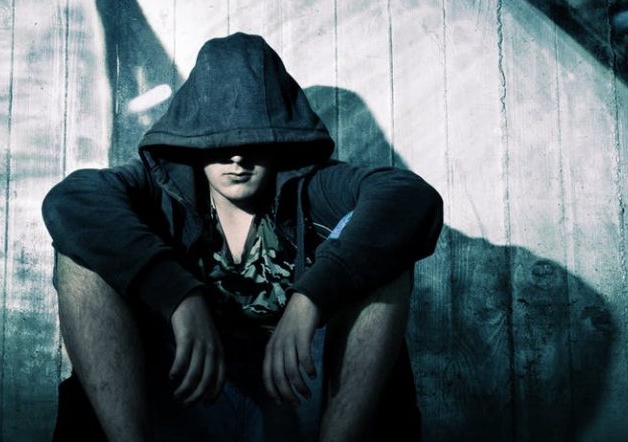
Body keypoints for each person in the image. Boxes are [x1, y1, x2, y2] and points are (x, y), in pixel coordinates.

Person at [42, 32, 443, 441]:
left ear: (279, 137)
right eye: (219, 139)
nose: (237, 156)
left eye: (252, 137)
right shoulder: (156, 186)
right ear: (193, 139)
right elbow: (71, 201)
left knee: (388, 257)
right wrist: (178, 296)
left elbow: (409, 198)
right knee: (80, 257)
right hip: (186, 389)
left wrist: (311, 299)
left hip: (296, 389)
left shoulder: (313, 185)